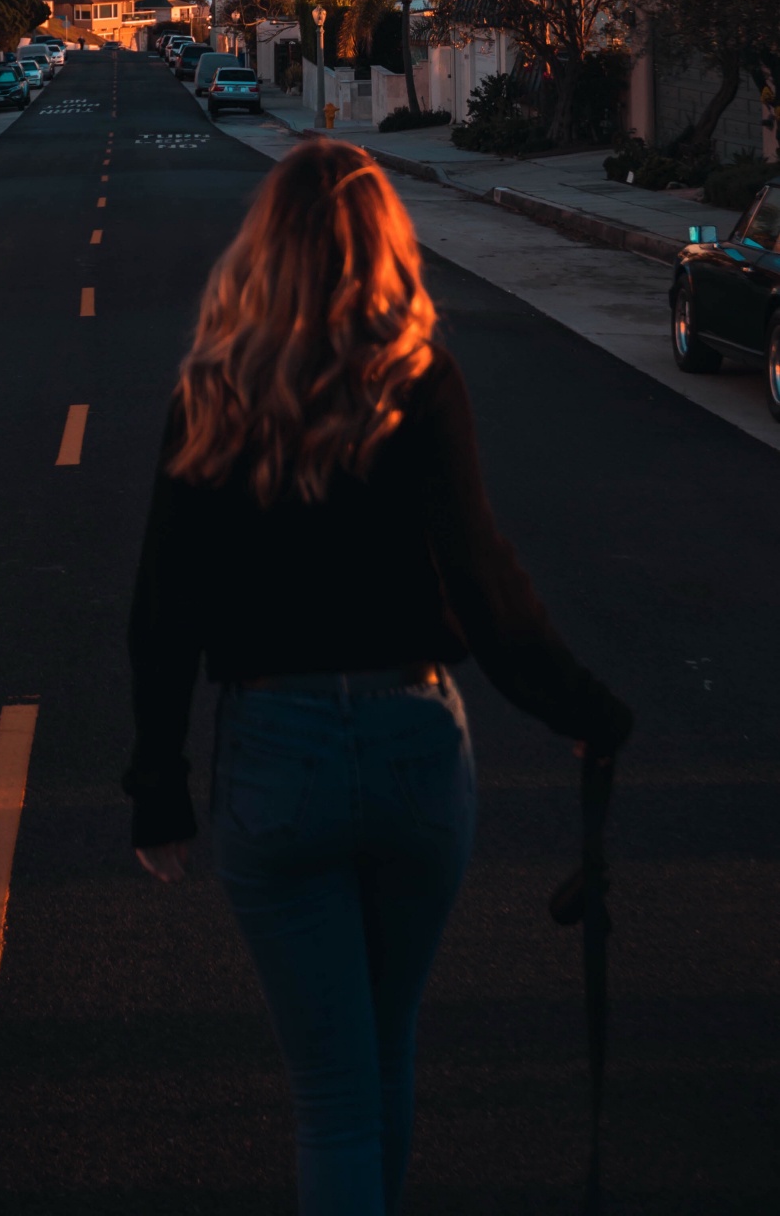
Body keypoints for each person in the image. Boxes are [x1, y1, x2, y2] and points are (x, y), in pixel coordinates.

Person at [125, 141, 632, 1216]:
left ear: (267, 248)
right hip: (413, 746)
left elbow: (165, 606)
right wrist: (579, 710)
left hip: (276, 755)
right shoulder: (417, 375)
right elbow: (483, 576)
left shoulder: (213, 388)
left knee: (332, 1097)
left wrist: (160, 788)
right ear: (385, 244)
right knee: (385, 1055)